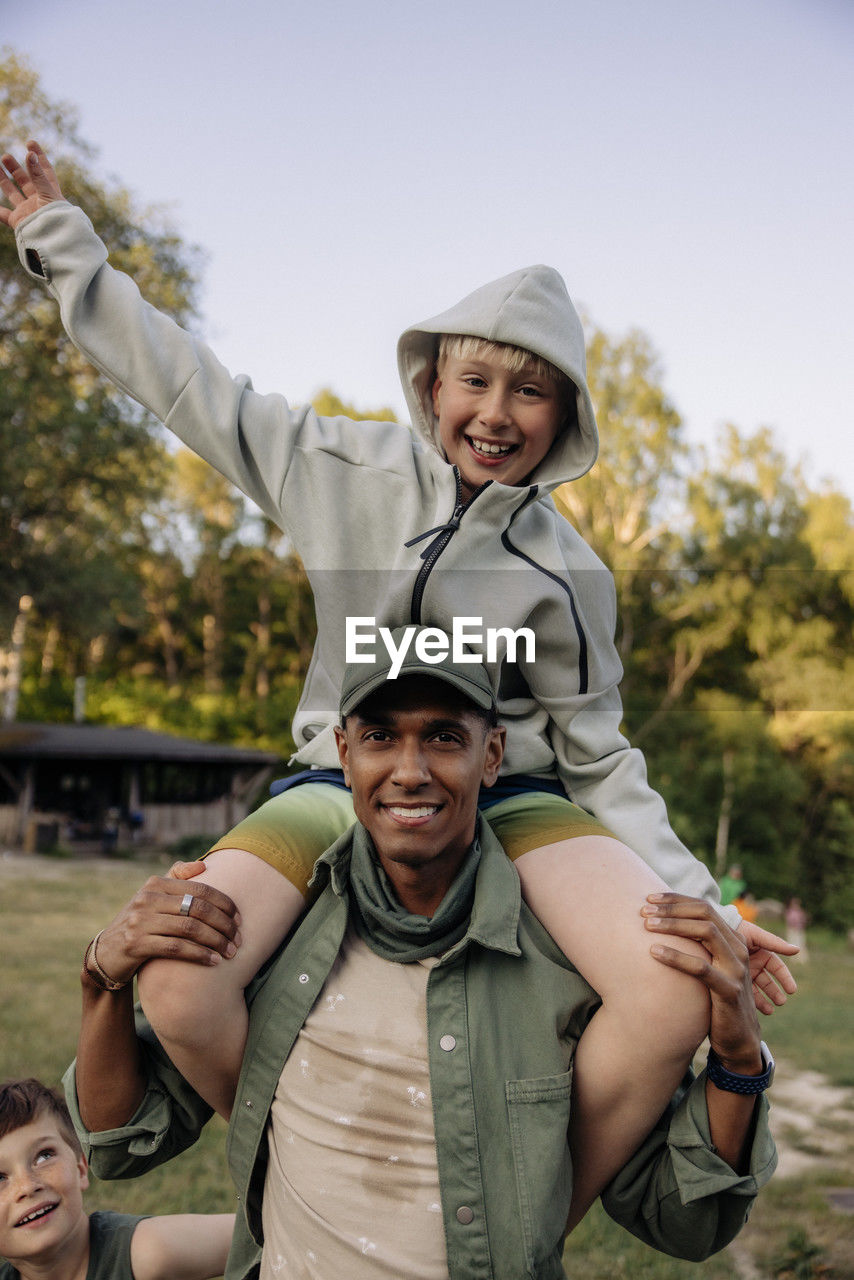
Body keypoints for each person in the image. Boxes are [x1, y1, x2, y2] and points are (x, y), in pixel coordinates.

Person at [0, 143, 795, 1216]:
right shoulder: (339, 469)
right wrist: (63, 244)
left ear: (563, 419)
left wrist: (708, 905)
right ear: (430, 386)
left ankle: (533, 1205)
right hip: (336, 779)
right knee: (182, 978)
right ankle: (311, 1190)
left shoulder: (570, 575)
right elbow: (190, 385)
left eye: (530, 390)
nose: (496, 412)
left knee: (666, 989)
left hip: (516, 798)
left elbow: (602, 759)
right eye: (474, 379)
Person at [67, 637, 777, 1279]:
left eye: (443, 736)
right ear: (343, 754)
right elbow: (120, 1138)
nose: (410, 771)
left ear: (491, 755)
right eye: (381, 736)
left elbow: (684, 1218)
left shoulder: (571, 966)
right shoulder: (272, 946)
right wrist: (101, 978)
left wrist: (740, 1061)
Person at [0, 1077, 234, 1280]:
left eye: (44, 1156)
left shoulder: (147, 1251)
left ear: (81, 1168)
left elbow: (258, 1232)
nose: (28, 1187)